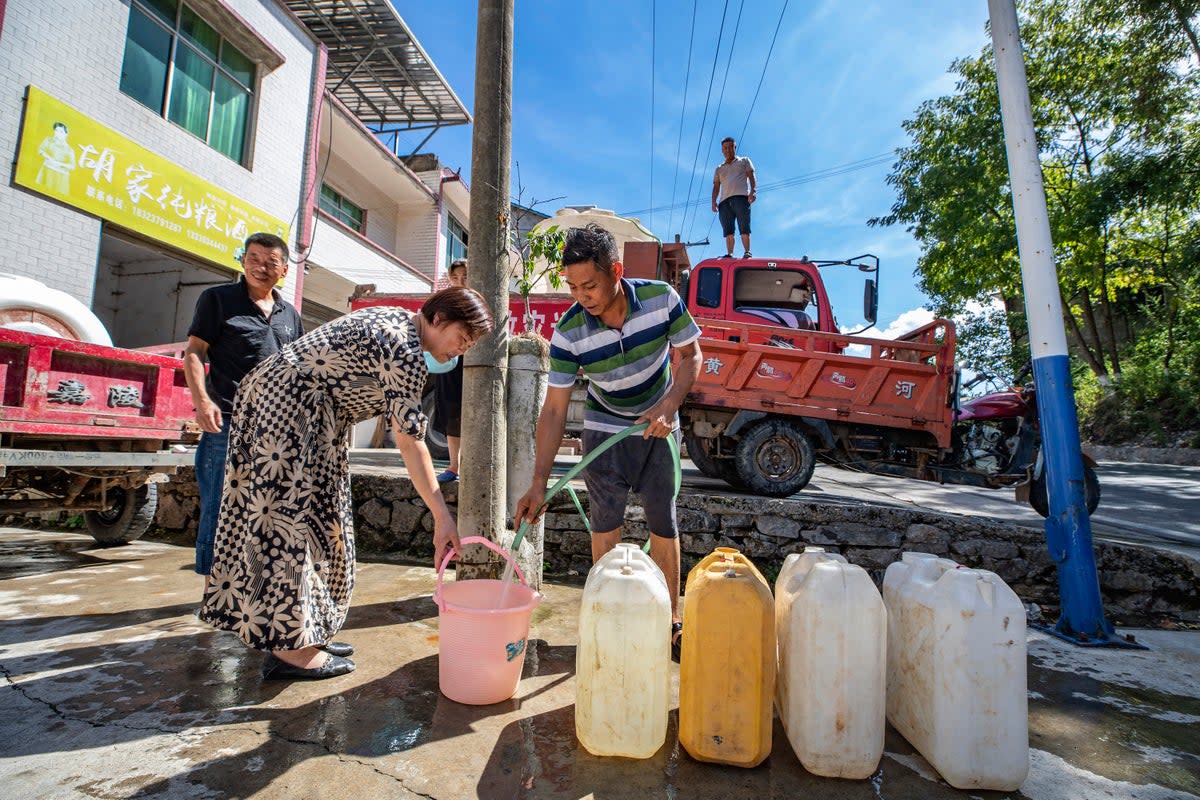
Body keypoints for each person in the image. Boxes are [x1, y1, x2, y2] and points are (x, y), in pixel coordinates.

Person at [199, 287, 494, 680]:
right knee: (290, 523)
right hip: (289, 414)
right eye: (463, 339)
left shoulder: (398, 321)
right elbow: (410, 441)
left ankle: (306, 630)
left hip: (302, 412)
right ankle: (290, 650)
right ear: (439, 320)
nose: (461, 352)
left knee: (324, 521)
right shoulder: (404, 350)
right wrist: (442, 516)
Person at [514, 223, 702, 649]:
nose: (583, 297)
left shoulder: (660, 300)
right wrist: (540, 481)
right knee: (605, 521)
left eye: (591, 286)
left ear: (616, 271)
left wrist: (668, 408)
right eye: (574, 288)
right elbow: (555, 409)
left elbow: (692, 357)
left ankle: (671, 621)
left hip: (657, 418)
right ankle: (608, 614)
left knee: (662, 517)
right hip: (604, 424)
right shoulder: (568, 332)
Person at [184, 233, 303, 589]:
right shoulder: (217, 300)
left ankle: (251, 586)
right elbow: (193, 352)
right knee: (219, 507)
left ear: (283, 270)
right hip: (228, 423)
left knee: (266, 509)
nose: (260, 267)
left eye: (270, 262)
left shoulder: (290, 314)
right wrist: (202, 401)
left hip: (276, 428)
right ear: (242, 260)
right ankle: (211, 591)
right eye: (253, 258)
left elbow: (298, 368)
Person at [432, 259, 468, 482]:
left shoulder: (479, 300)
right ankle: (454, 466)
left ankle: (470, 466)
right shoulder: (444, 302)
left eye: (464, 276)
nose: (460, 282)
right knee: (451, 412)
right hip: (449, 361)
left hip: (474, 362)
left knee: (473, 415)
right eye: (455, 278)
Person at [711, 136, 756, 259]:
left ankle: (747, 252)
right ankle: (730, 253)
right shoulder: (719, 169)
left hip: (741, 198)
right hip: (724, 202)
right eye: (725, 148)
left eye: (731, 147)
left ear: (735, 147)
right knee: (728, 230)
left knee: (744, 226)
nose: (728, 150)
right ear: (722, 151)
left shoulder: (744, 161)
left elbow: (751, 176)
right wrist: (713, 201)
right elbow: (716, 186)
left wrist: (753, 191)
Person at [35, 122, 75, 194]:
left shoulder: (69, 149)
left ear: (66, 134)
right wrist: (49, 158)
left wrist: (59, 164)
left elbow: (72, 166)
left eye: (61, 132)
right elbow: (40, 150)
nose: (57, 133)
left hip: (61, 176)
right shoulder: (49, 140)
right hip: (47, 169)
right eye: (56, 130)